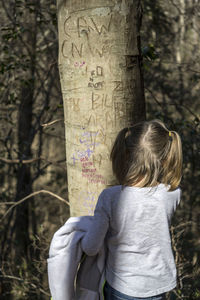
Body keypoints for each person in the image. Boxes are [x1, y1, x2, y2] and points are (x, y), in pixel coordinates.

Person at [80, 120, 182, 300]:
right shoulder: (172, 195)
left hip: (122, 287)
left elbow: (91, 247)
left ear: (124, 155)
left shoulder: (110, 197)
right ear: (165, 157)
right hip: (160, 285)